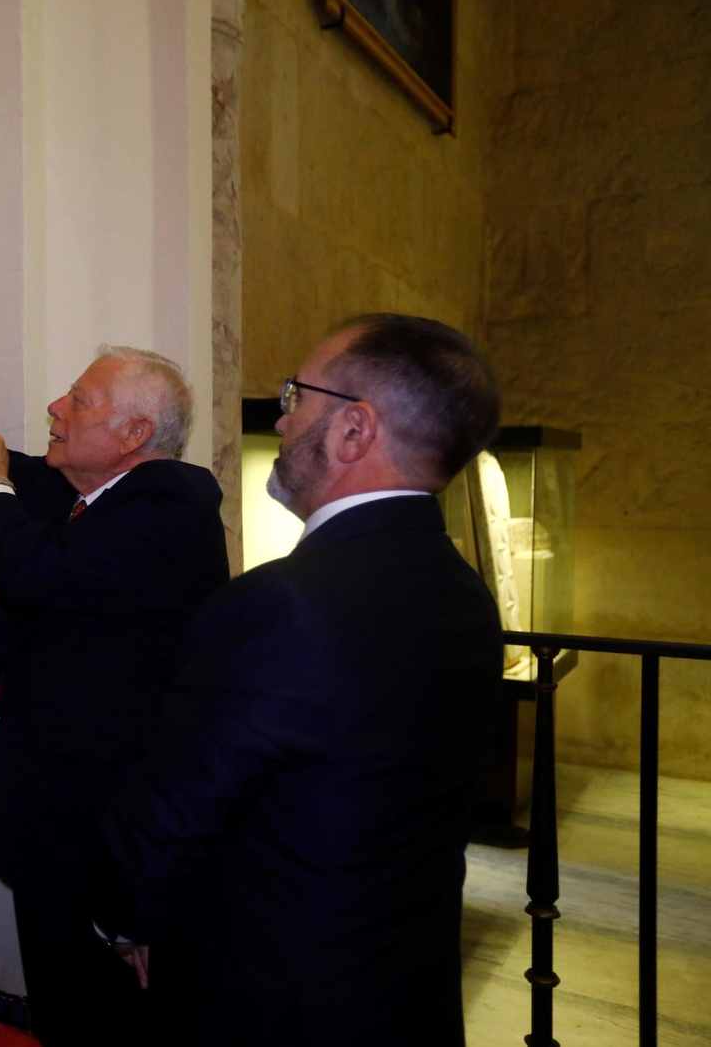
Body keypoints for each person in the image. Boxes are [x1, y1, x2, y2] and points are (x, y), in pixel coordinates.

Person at [96, 314, 503, 1046]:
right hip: (405, 992)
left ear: (354, 430)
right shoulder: (464, 592)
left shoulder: (279, 603)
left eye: (296, 395)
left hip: (273, 1002)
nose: (282, 421)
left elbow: (173, 810)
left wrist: (129, 921)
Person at [0, 347, 230, 1044]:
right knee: (59, 1002)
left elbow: (34, 569)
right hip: (52, 821)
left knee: (101, 1015)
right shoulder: (89, 493)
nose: (56, 409)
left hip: (102, 834)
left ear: (135, 433)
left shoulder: (171, 505)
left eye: (79, 401)